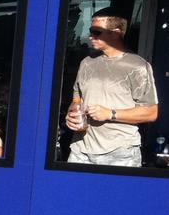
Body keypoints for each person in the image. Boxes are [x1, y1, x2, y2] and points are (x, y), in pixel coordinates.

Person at [64, 9, 158, 167]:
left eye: (97, 32)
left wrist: (110, 114)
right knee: (71, 192)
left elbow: (151, 113)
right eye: (90, 31)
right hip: (80, 149)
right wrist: (71, 115)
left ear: (115, 33)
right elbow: (77, 99)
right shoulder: (87, 62)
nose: (91, 36)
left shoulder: (138, 66)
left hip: (120, 152)